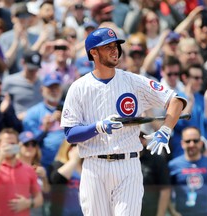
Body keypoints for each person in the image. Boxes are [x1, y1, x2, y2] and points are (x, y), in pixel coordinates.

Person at [60, 27, 186, 216]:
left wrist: (166, 129)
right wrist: (98, 127)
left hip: (128, 164)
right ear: (93, 52)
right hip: (94, 165)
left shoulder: (133, 81)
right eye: (107, 46)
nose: (114, 50)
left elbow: (175, 100)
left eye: (116, 45)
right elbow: (70, 134)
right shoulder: (79, 87)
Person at [168, 126, 207, 216]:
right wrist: (173, 212)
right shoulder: (173, 165)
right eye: (188, 141)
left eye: (195, 141)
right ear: (182, 143)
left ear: (201, 143)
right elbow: (165, 191)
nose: (191, 144)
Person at [0, 128, 43, 216]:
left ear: (18, 146)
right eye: (6, 144)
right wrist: (0, 159)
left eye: (13, 144)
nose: (9, 147)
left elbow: (39, 199)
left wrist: (28, 203)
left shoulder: (28, 169)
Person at [23, 73, 65, 174]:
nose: (54, 91)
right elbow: (28, 142)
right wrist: (44, 129)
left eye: (56, 87)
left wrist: (65, 124)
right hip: (45, 164)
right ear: (42, 90)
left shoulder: (71, 108)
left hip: (68, 163)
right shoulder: (33, 113)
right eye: (50, 88)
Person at [2, 50, 43, 120]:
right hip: (19, 122)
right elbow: (2, 102)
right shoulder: (10, 81)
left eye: (36, 69)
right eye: (31, 69)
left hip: (40, 122)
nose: (33, 71)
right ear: (22, 62)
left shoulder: (43, 82)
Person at [17, 131, 50, 216]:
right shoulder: (14, 166)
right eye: (26, 144)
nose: (30, 147)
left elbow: (46, 192)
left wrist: (44, 177)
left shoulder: (39, 168)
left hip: (37, 212)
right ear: (19, 147)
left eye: (33, 144)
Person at [139, 129, 171, 216]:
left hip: (151, 211)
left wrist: (160, 214)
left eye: (142, 137)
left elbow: (165, 189)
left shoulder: (157, 159)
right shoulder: (123, 161)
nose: (139, 140)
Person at [48, 140, 83, 216]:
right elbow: (56, 180)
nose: (77, 148)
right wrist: (73, 161)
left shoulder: (85, 166)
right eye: (73, 145)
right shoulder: (57, 164)